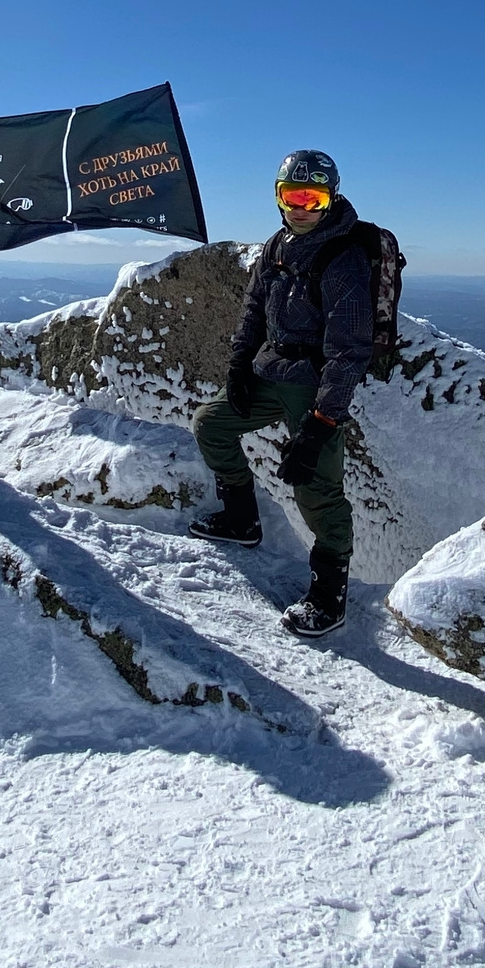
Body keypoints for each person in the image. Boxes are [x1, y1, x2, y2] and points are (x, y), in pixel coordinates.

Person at [190, 149, 372, 637]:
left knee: (316, 490)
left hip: (314, 385)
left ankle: (329, 596)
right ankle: (242, 520)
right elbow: (253, 308)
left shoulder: (344, 258)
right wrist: (238, 364)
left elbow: (350, 352)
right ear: (278, 197)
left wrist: (321, 423)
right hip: (272, 369)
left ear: (330, 199)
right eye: (292, 195)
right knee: (211, 423)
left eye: (313, 197)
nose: (301, 207)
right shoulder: (277, 246)